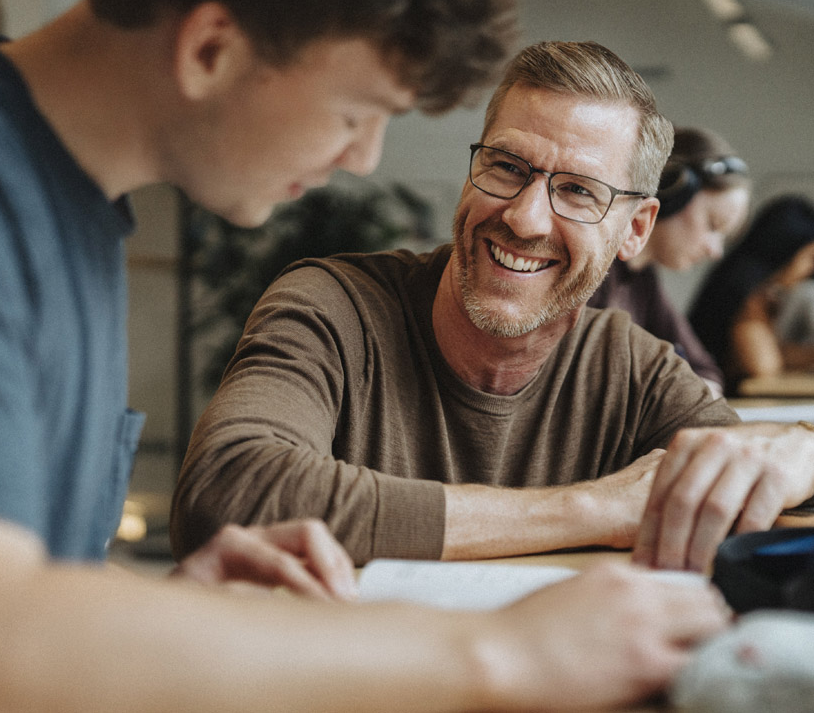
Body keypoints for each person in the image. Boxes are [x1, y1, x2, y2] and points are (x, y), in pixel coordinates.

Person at [0, 0, 733, 711]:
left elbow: (11, 587)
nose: (364, 159)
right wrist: (498, 652)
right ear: (211, 49)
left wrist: (167, 608)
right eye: (356, 111)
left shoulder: (70, 212)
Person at [172, 40, 814, 577]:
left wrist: (798, 449)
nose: (526, 217)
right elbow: (228, 492)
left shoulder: (631, 368)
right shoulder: (336, 309)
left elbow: (761, 507)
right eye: (507, 167)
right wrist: (593, 509)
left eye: (578, 191)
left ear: (636, 229)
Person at [588, 126, 751, 397]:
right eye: (713, 225)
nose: (716, 251)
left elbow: (704, 370)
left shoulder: (644, 280)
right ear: (670, 191)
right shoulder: (596, 271)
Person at [689, 195, 814, 391]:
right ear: (785, 251)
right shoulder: (743, 291)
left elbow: (780, 353)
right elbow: (764, 366)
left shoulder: (753, 286)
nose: (809, 269)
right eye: (808, 258)